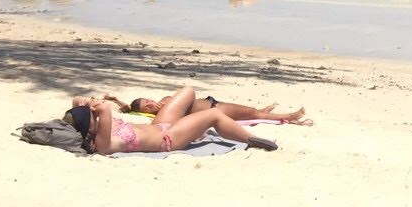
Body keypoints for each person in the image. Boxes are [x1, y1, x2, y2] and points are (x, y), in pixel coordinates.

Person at [66, 86, 277, 154]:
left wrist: (84, 104)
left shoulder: (96, 127)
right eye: (91, 117)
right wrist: (97, 107)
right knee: (213, 116)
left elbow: (76, 100)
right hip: (168, 138)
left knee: (188, 91)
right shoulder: (104, 143)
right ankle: (251, 139)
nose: (95, 114)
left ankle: (195, 124)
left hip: (159, 126)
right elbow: (104, 110)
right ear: (88, 128)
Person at [112, 92, 308, 124]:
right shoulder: (165, 114)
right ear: (146, 112)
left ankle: (262, 112)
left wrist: (117, 100)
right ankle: (290, 116)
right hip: (215, 110)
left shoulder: (165, 100)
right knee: (253, 113)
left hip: (212, 102)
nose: (151, 104)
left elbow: (129, 108)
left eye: (148, 100)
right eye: (147, 107)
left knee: (249, 111)